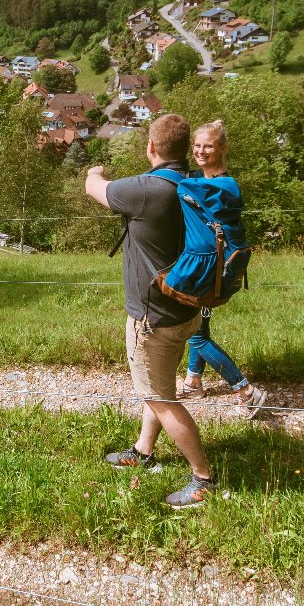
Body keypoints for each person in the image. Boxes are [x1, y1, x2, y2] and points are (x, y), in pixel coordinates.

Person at [85, 113, 214, 509]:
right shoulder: (196, 185)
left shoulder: (145, 190)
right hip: (187, 309)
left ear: (152, 148)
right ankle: (143, 451)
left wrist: (95, 169)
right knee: (160, 385)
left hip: (152, 317)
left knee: (160, 397)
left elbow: (95, 188)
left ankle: (203, 479)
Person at [176, 120, 267, 418]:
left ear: (223, 149)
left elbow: (183, 188)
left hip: (209, 268)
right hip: (217, 265)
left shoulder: (219, 186)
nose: (201, 151)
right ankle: (193, 380)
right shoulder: (216, 182)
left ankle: (245, 390)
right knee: (199, 323)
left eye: (209, 146)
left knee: (196, 335)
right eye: (197, 145)